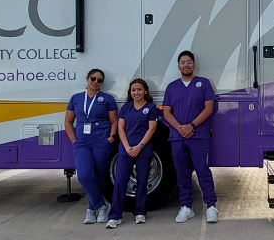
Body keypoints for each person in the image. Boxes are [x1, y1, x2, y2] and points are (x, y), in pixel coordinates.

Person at [162, 50, 219, 223]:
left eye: (189, 62)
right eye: (182, 62)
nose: (186, 65)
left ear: (194, 65)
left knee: (202, 170)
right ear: (178, 66)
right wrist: (180, 128)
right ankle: (187, 207)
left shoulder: (204, 83)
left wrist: (191, 126)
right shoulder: (172, 87)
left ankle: (211, 206)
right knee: (182, 172)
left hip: (198, 136)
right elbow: (166, 112)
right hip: (178, 137)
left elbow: (208, 108)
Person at [65, 68, 118, 224]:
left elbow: (114, 121)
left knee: (101, 176)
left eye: (99, 80)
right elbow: (68, 121)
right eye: (93, 78)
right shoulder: (76, 98)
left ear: (102, 83)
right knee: (84, 175)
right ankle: (100, 205)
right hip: (82, 142)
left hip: (102, 141)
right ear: (87, 79)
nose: (96, 82)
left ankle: (91, 208)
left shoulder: (108, 99)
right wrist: (74, 140)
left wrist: (111, 137)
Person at [105, 78, 160, 229]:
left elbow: (152, 129)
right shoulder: (126, 108)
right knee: (120, 181)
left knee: (142, 181)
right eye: (133, 90)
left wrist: (140, 146)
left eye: (139, 89)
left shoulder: (151, 108)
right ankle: (115, 215)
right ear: (130, 92)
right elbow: (120, 128)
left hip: (143, 150)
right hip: (126, 150)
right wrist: (128, 146)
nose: (136, 92)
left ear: (145, 91)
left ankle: (140, 212)